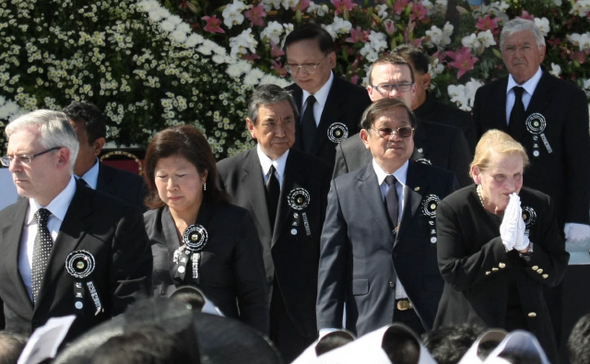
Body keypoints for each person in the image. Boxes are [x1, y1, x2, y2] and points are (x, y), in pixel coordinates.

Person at [472, 18, 590, 356]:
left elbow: (579, 161)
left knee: (545, 304)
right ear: (501, 55)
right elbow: (478, 160)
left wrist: (578, 216)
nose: (517, 54)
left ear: (541, 51)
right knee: (502, 299)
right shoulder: (487, 96)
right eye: (510, 48)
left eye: (525, 47)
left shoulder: (567, 96)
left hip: (547, 221)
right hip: (496, 220)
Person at [0, 110, 152, 341]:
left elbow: (131, 309)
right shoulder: (4, 223)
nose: (13, 168)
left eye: (25, 157)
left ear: (61, 157)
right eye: (9, 158)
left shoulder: (117, 219)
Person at [317, 98, 458, 338]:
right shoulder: (345, 189)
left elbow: (457, 250)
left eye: (404, 130)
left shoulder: (441, 182)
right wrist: (328, 327)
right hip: (369, 314)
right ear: (365, 138)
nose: (396, 137)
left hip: (430, 316)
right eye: (385, 130)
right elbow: (332, 261)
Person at [217, 84, 331, 362]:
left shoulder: (319, 173)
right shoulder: (225, 174)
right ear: (251, 127)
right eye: (270, 123)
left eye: (288, 121)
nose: (281, 131)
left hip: (302, 312)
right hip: (246, 307)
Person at [434, 129, 569, 363]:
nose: (510, 185)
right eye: (499, 176)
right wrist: (501, 246)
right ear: (477, 174)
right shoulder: (454, 208)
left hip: (527, 326)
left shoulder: (539, 204)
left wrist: (527, 249)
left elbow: (555, 273)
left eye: (517, 175)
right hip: (471, 329)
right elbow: (453, 273)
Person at [143, 125, 269, 335]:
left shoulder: (234, 222)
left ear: (203, 175)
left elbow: (254, 298)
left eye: (181, 175)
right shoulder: (145, 226)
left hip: (220, 346)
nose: (171, 185)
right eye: (162, 176)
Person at [332, 54, 472, 187]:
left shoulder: (448, 141)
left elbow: (464, 202)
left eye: (403, 85)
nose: (394, 94)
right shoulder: (349, 151)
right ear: (370, 92)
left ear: (413, 90)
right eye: (385, 86)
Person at [284, 23, 372, 166]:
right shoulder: (283, 100)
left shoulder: (359, 101)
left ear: (331, 60)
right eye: (293, 65)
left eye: (309, 64)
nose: (301, 73)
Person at [63, 101, 148, 210]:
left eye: (72, 142)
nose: (62, 150)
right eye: (59, 141)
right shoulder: (45, 184)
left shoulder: (132, 187)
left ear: (97, 146)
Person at [392, 44, 476, 151]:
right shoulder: (377, 122)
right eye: (389, 84)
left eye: (404, 82)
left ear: (425, 81)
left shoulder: (458, 124)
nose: (395, 91)